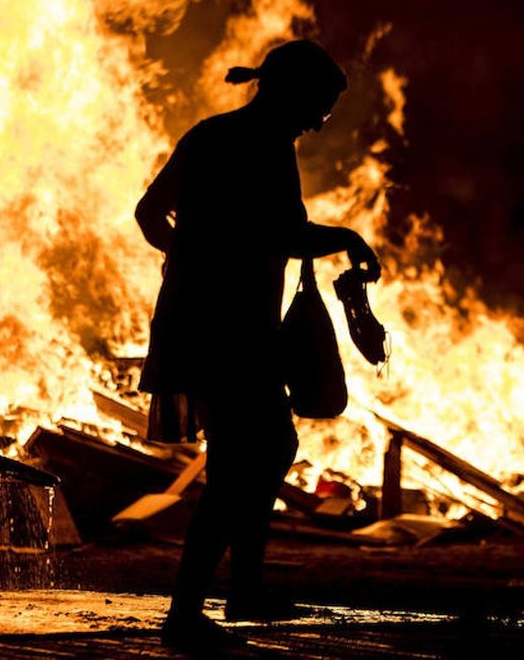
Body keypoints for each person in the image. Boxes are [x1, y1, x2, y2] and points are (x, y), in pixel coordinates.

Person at [134, 39, 381, 652]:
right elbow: (282, 233)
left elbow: (148, 214)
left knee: (256, 451)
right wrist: (347, 236)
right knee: (256, 453)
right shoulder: (261, 147)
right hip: (227, 329)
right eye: (319, 105)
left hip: (211, 320)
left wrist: (187, 257)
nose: (320, 121)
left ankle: (241, 589)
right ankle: (188, 611)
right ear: (290, 93)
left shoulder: (211, 134)